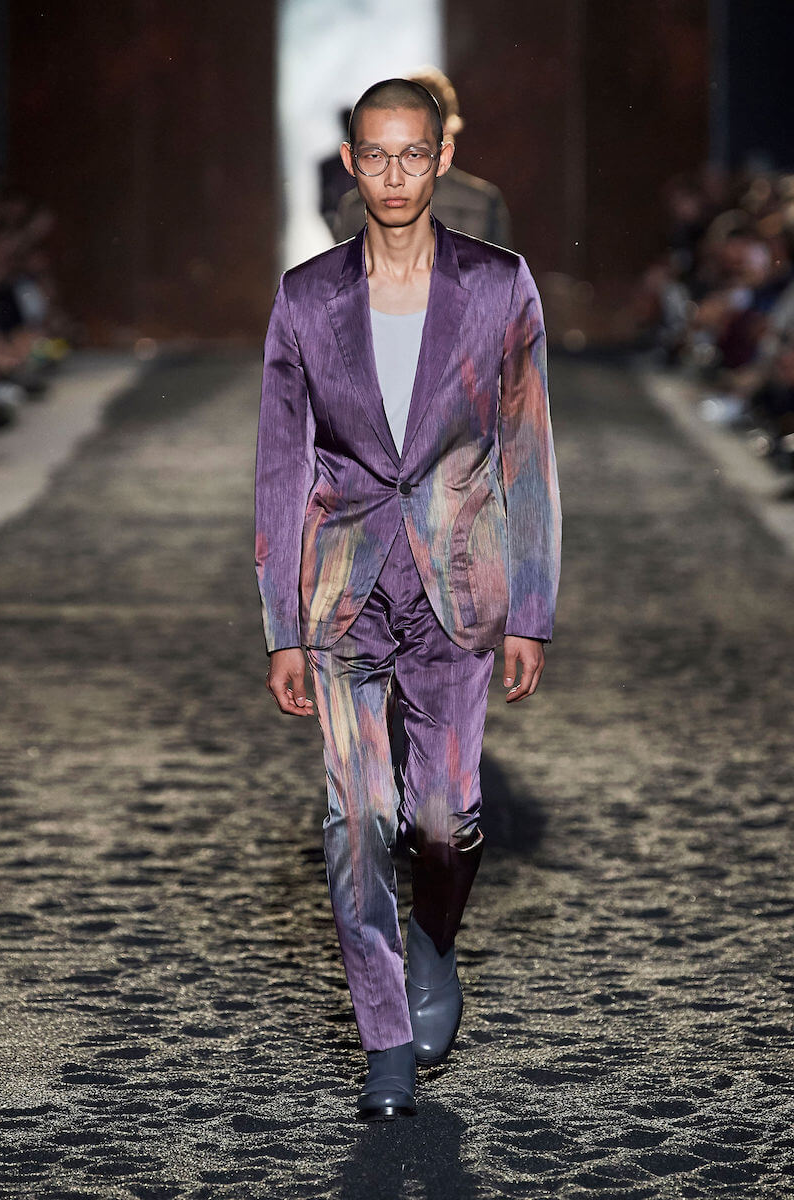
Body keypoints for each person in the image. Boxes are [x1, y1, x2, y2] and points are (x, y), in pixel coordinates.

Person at [254, 78, 561, 1122]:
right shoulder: (305, 298)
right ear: (351, 163)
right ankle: (384, 1043)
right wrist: (281, 624)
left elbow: (527, 449)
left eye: (411, 154)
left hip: (459, 582)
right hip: (342, 588)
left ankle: (431, 943)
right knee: (357, 818)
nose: (393, 174)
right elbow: (282, 465)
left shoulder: (498, 284)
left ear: (441, 159)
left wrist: (530, 606)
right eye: (375, 155)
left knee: (444, 820)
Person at [328, 66, 514, 249]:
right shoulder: (482, 200)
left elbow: (344, 268)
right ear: (448, 124)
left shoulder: (355, 207)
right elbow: (499, 267)